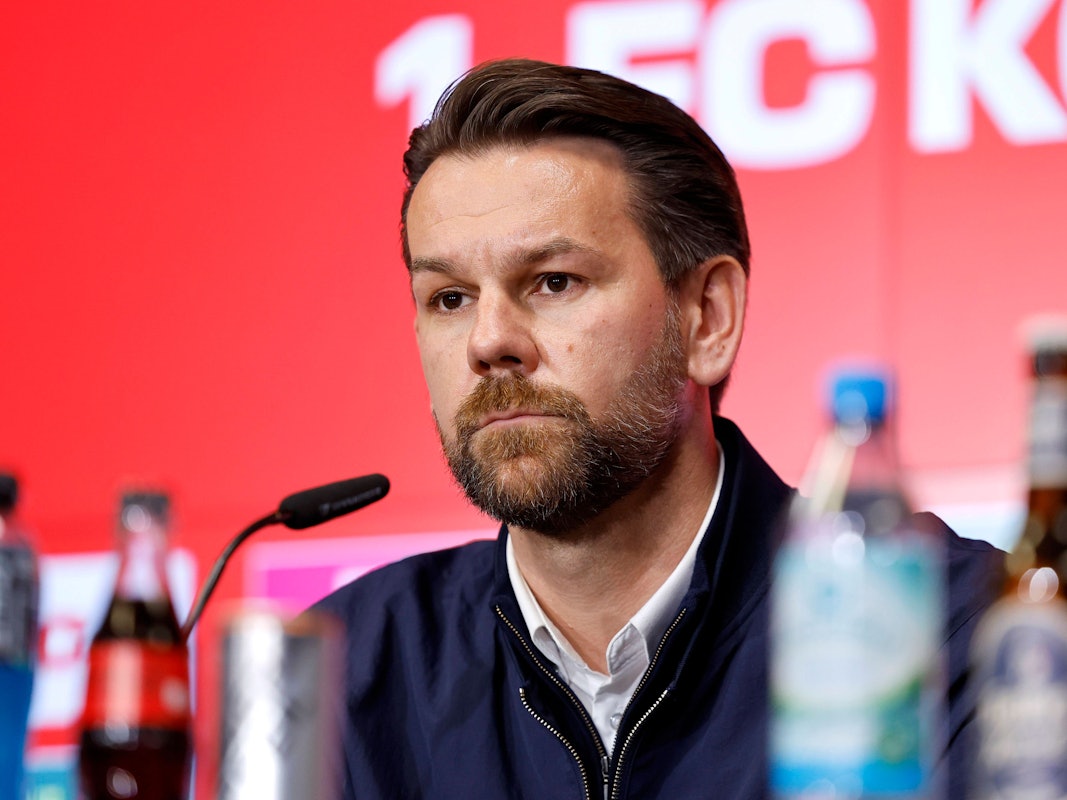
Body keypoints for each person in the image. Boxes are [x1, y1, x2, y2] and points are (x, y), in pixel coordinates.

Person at [313, 58, 1003, 799]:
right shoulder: (347, 670)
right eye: (448, 298)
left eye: (553, 282)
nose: (487, 342)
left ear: (707, 318)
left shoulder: (962, 635)